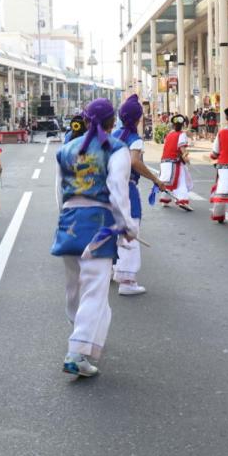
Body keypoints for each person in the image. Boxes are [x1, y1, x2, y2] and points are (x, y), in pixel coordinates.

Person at [52, 98, 136, 378]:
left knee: (74, 288)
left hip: (68, 221)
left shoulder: (66, 149)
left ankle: (80, 334)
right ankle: (77, 352)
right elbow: (117, 189)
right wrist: (127, 226)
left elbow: (59, 191)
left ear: (86, 120)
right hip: (99, 224)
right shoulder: (115, 148)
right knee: (95, 291)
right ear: (114, 123)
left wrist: (64, 218)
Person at [112, 94, 164, 296]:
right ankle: (127, 280)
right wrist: (156, 179)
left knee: (112, 228)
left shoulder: (113, 135)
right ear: (138, 118)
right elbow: (135, 162)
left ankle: (110, 269)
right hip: (127, 188)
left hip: (109, 188)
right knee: (130, 228)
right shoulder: (135, 140)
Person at [157, 114, 193, 209]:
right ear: (183, 125)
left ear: (173, 125)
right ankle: (182, 200)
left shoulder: (169, 134)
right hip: (174, 163)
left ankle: (165, 199)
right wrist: (187, 159)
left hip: (164, 162)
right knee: (181, 181)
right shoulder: (182, 135)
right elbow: (182, 149)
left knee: (167, 182)